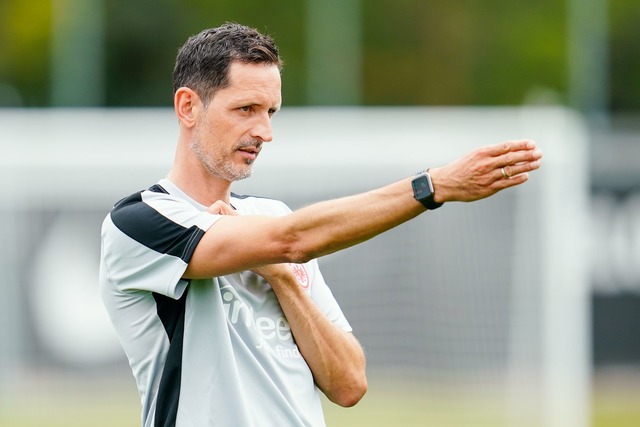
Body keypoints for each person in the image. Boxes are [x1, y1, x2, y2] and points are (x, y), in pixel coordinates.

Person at [99, 22, 543, 427]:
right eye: (246, 109)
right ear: (188, 106)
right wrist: (433, 186)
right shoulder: (138, 223)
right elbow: (292, 241)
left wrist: (282, 281)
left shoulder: (273, 217)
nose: (264, 132)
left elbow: (349, 384)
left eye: (270, 112)